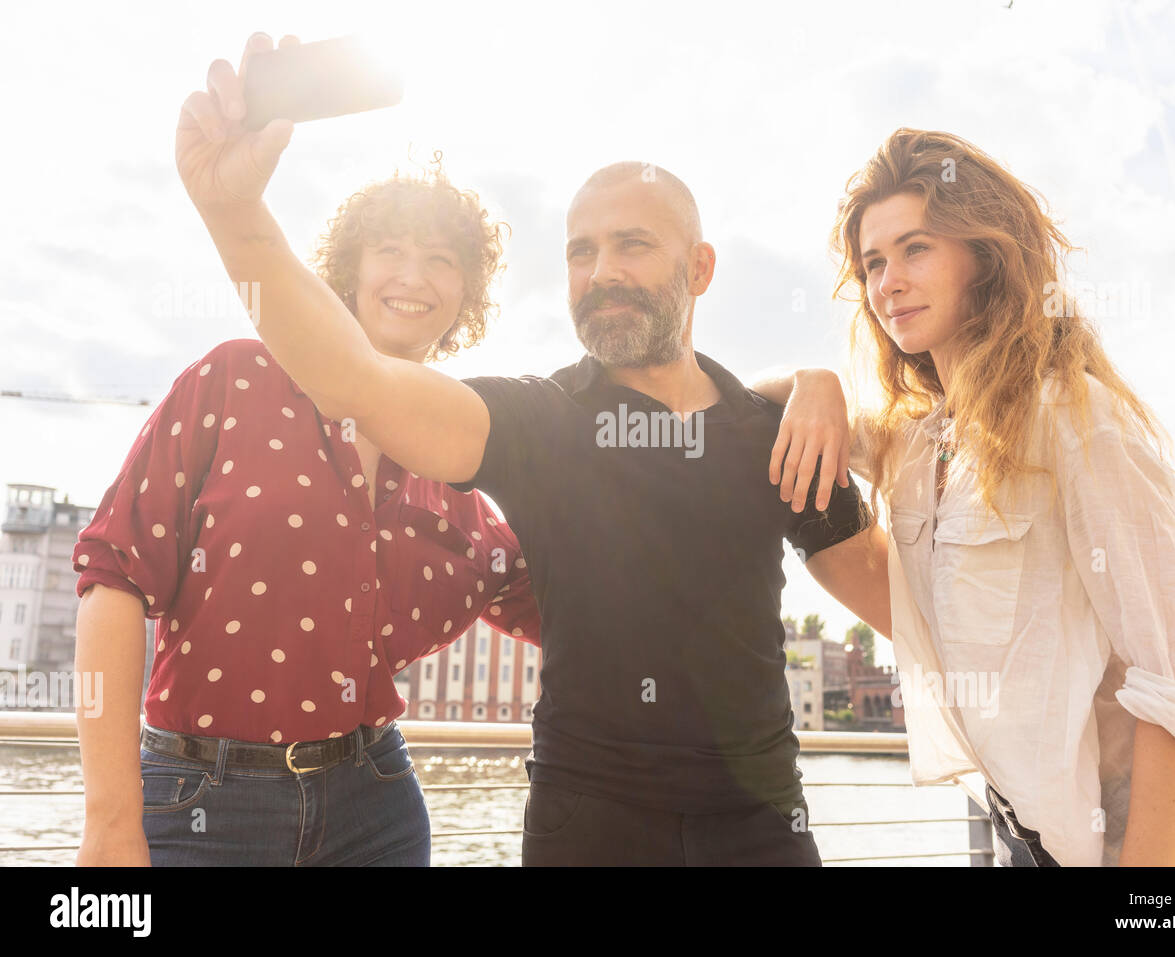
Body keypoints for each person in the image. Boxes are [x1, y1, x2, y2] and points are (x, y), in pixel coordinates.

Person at [173, 32, 892, 866]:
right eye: (580, 251)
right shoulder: (539, 421)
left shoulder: (778, 435)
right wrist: (233, 213)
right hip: (588, 829)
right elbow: (354, 379)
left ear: (699, 268)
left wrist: (822, 383)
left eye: (632, 245)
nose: (601, 271)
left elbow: (904, 606)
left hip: (764, 831)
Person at [813, 126, 1175, 866]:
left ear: (985, 255)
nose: (887, 282)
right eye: (872, 262)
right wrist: (818, 386)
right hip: (1037, 844)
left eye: (916, 248)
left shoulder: (1071, 416)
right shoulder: (922, 443)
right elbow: (764, 407)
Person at [72, 138, 541, 865]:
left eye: (443, 259)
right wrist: (107, 820)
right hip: (198, 805)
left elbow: (587, 600)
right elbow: (111, 578)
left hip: (376, 811)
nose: (413, 276)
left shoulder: (459, 484)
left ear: (465, 296)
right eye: (390, 249)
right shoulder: (232, 378)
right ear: (348, 269)